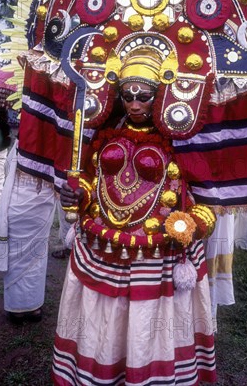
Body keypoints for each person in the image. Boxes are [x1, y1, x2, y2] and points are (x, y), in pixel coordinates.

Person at [52, 49, 216, 385]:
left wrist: (189, 226)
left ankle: (149, 374)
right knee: (104, 326)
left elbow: (210, 202)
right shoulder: (104, 133)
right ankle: (100, 372)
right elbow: (90, 177)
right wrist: (79, 192)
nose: (135, 105)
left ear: (161, 96)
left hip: (158, 254)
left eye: (144, 97)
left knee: (147, 326)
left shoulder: (183, 142)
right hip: (103, 248)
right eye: (127, 96)